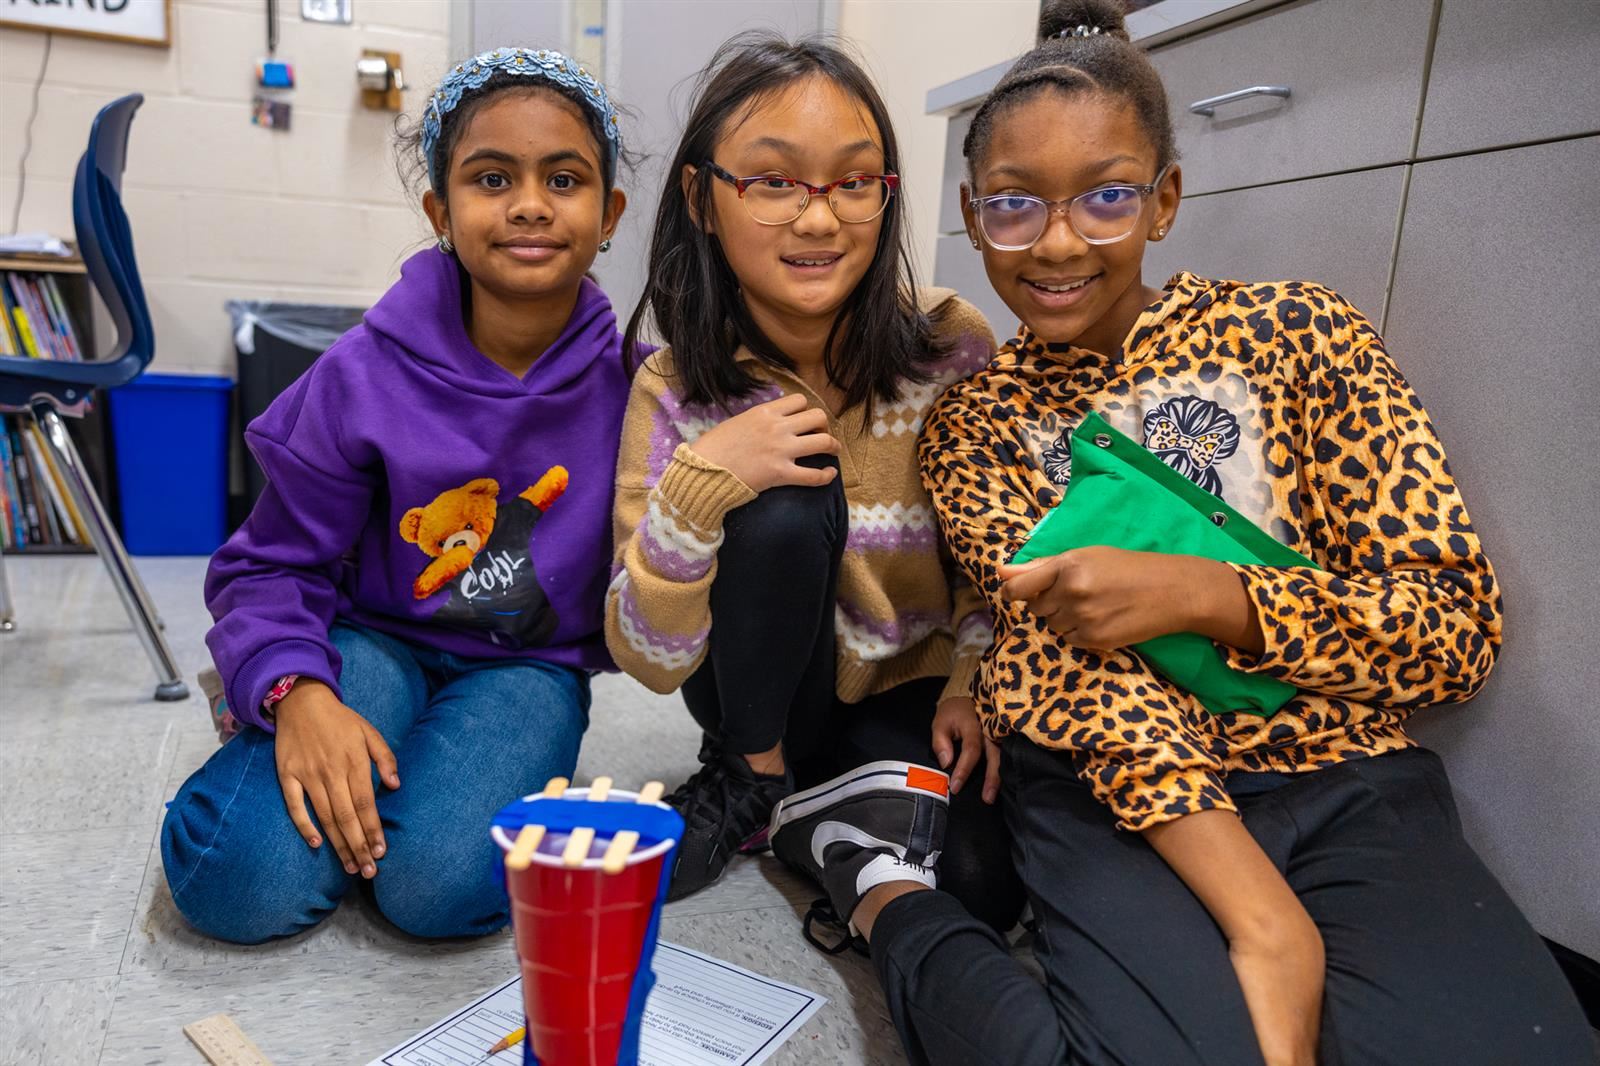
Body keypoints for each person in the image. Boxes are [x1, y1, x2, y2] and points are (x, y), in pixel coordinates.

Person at [767, 3, 1594, 1064]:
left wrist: (1208, 596)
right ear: (973, 218)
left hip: (1335, 770)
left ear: (1162, 201)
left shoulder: (1301, 336)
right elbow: (1061, 672)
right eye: (1015, 206)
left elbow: (1450, 630)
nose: (1058, 241)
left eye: (1104, 197)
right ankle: (876, 883)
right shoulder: (974, 422)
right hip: (1109, 789)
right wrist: (1264, 921)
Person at [162, 47, 633, 943]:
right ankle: (262, 707)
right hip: (369, 638)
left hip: (527, 671)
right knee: (238, 880)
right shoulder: (361, 376)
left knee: (441, 889)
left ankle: (411, 788)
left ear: (608, 213)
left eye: (563, 178)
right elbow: (270, 563)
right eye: (492, 178)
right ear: (441, 213)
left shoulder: (641, 389)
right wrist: (298, 691)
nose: (530, 203)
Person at [605, 32, 1023, 934]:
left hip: (907, 686)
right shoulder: (674, 385)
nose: (820, 219)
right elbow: (646, 656)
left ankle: (809, 807)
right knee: (787, 497)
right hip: (754, 693)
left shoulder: (952, 350)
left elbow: (999, 555)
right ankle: (754, 777)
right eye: (773, 182)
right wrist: (697, 491)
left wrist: (970, 679)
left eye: (854, 182)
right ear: (702, 200)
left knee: (980, 888)